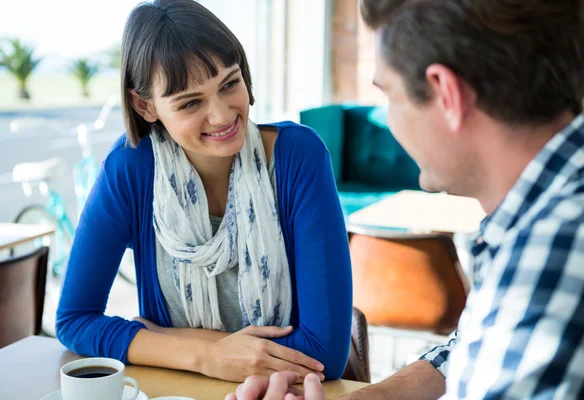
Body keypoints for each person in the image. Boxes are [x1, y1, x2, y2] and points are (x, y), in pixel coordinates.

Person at [230, 0, 584, 398]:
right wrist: (373, 396)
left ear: (445, 93)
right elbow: (474, 345)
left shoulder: (554, 246)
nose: (391, 119)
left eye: (390, 96)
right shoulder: (536, 218)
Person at [55, 0, 353, 383]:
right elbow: (74, 320)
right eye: (191, 102)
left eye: (230, 83)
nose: (223, 115)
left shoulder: (299, 157)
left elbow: (324, 353)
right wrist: (206, 356)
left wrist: (161, 338)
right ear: (145, 106)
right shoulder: (131, 171)